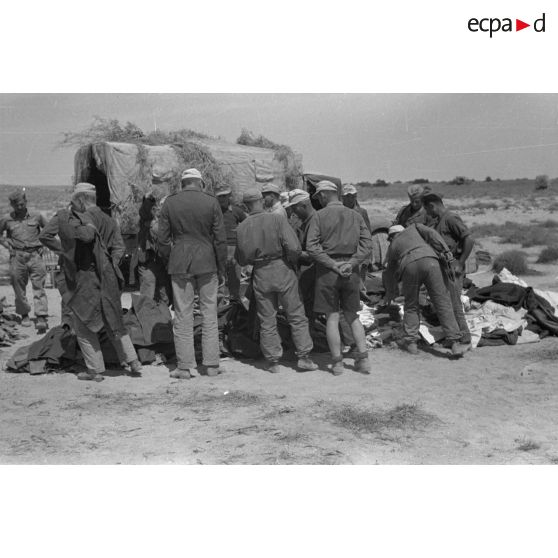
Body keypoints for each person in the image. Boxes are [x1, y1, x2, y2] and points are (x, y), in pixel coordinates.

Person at [39, 183, 142, 382]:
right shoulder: (109, 220)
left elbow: (45, 236)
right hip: (108, 277)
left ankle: (95, 370)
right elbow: (118, 249)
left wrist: (65, 251)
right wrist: (110, 264)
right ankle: (133, 361)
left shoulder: (67, 218)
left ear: (79, 199)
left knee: (83, 323)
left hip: (83, 278)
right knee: (114, 320)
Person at [235, 189, 317, 374]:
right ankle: (304, 357)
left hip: (261, 273)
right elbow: (294, 248)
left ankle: (273, 362)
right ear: (262, 202)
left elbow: (241, 259)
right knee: (296, 314)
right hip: (282, 269)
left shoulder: (242, 227)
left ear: (245, 206)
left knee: (266, 319)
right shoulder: (277, 219)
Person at [158, 168, 227, 380]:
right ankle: (212, 365)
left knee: (182, 315)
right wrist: (221, 265)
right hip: (207, 263)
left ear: (183, 183)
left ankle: (185, 367)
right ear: (200, 183)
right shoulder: (211, 202)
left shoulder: (170, 203)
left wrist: (170, 258)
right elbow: (220, 239)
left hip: (180, 263)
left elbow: (162, 240)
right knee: (209, 312)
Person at [305, 180, 373, 375]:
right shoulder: (355, 215)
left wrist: (334, 265)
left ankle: (337, 364)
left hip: (328, 271)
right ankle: (364, 360)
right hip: (351, 271)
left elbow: (312, 247)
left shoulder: (318, 216)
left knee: (332, 318)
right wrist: (351, 264)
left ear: (324, 195)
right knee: (353, 316)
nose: (318, 200)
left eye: (319, 197)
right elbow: (367, 245)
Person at [383, 224, 465, 355]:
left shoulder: (392, 246)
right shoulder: (414, 228)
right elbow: (433, 235)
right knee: (442, 301)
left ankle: (411, 343)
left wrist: (390, 292)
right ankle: (455, 342)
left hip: (409, 266)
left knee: (411, 304)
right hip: (431, 261)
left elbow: (388, 271)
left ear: (391, 236)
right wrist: (447, 253)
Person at [422, 193, 473, 345]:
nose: (428, 213)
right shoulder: (439, 221)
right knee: (448, 303)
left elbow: (469, 239)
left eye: (427, 209)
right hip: (444, 266)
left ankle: (464, 336)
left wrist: (461, 262)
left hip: (453, 266)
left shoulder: (450, 218)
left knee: (454, 303)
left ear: (432, 205)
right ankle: (456, 335)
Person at [0, 189, 49, 332]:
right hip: (17, 257)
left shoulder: (37, 216)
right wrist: (5, 243)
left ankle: (41, 316)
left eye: (21, 204)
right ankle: (24, 315)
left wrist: (44, 245)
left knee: (39, 286)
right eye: (16, 206)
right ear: (11, 205)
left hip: (35, 256)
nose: (19, 208)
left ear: (26, 202)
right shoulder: (7, 219)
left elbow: (49, 231)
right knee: (18, 288)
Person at [284, 189, 316, 318]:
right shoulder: (307, 222)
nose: (293, 212)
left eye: (295, 208)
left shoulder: (314, 222)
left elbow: (311, 255)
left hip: (311, 273)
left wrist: (291, 252)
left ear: (303, 206)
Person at [137, 193, 171, 304]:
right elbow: (145, 211)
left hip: (162, 263)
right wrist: (148, 199)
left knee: (164, 297)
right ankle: (146, 320)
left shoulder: (169, 222)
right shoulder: (148, 219)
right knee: (147, 296)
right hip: (148, 262)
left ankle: (163, 319)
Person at [216, 187, 246, 300]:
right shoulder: (214, 211)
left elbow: (247, 224)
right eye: (220, 196)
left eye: (225, 196)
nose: (222, 198)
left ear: (229, 196)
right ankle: (220, 303)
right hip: (219, 247)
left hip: (234, 248)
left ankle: (235, 301)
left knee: (234, 276)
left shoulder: (236, 211)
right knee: (220, 276)